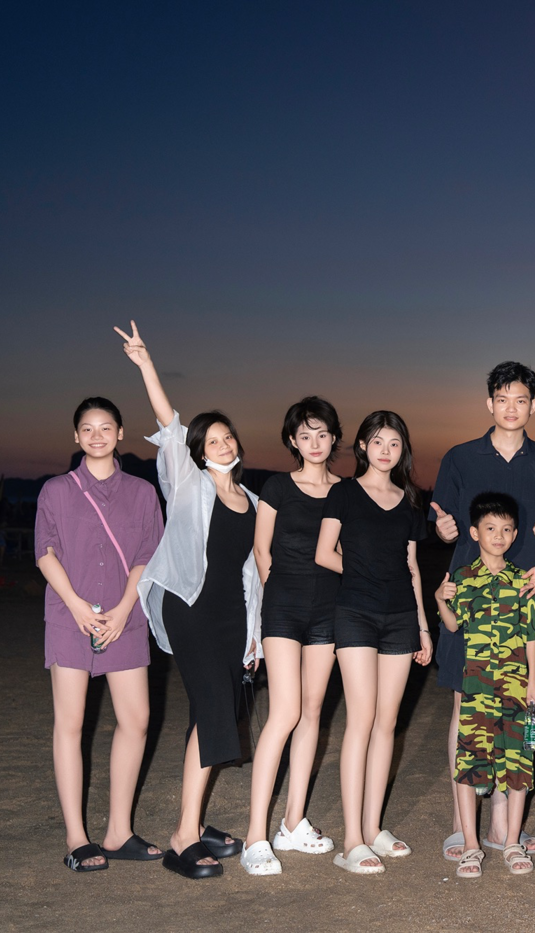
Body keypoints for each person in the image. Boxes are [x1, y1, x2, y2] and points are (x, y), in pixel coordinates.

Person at [117, 321, 262, 880]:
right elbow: (169, 426)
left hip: (230, 615)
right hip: (190, 608)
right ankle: (183, 837)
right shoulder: (188, 483)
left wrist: (253, 633)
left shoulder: (251, 499)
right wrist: (146, 365)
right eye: (212, 440)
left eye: (228, 438)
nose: (222, 445)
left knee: (211, 711)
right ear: (199, 450)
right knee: (213, 708)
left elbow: (251, 572)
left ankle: (196, 823)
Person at [429, 362, 535, 861]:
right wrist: (441, 530)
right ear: (489, 403)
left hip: (521, 602)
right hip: (470, 599)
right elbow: (442, 519)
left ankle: (505, 827)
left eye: (520, 399)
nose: (511, 408)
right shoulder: (460, 457)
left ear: (534, 405)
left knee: (518, 708)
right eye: (502, 399)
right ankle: (461, 823)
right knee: (464, 704)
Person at [36, 396, 165, 872]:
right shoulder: (56, 490)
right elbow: (45, 551)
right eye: (87, 429)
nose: (96, 436)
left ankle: (118, 832)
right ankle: (76, 837)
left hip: (124, 616)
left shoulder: (142, 492)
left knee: (137, 720)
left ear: (120, 433)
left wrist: (124, 608)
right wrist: (75, 605)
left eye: (105, 427)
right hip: (69, 617)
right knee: (70, 724)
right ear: (76, 436)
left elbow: (148, 554)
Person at [315, 411, 433, 874]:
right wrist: (365, 573)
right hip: (356, 614)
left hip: (401, 617)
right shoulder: (344, 493)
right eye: (378, 441)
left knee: (387, 723)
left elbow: (413, 566)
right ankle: (351, 841)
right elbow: (324, 553)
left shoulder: (410, 500)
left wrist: (423, 627)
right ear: (362, 446)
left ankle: (372, 827)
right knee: (361, 719)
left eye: (395, 443)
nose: (386, 450)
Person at [239, 397, 345, 875]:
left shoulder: (346, 492)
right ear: (292, 441)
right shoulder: (278, 486)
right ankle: (254, 836)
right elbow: (262, 549)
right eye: (305, 435)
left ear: (334, 438)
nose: (314, 443)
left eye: (322, 434)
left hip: (328, 611)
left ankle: (293, 822)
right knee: (285, 711)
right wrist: (275, 601)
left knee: (313, 711)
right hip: (283, 608)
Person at [434, 493, 535, 878]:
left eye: (506, 529)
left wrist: (534, 681)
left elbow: (532, 634)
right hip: (477, 688)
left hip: (516, 687)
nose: (498, 536)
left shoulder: (522, 579)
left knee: (519, 760)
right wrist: (439, 599)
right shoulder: (464, 578)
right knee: (470, 762)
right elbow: (452, 625)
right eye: (490, 528)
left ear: (514, 534)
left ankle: (511, 841)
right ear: (474, 533)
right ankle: (471, 845)